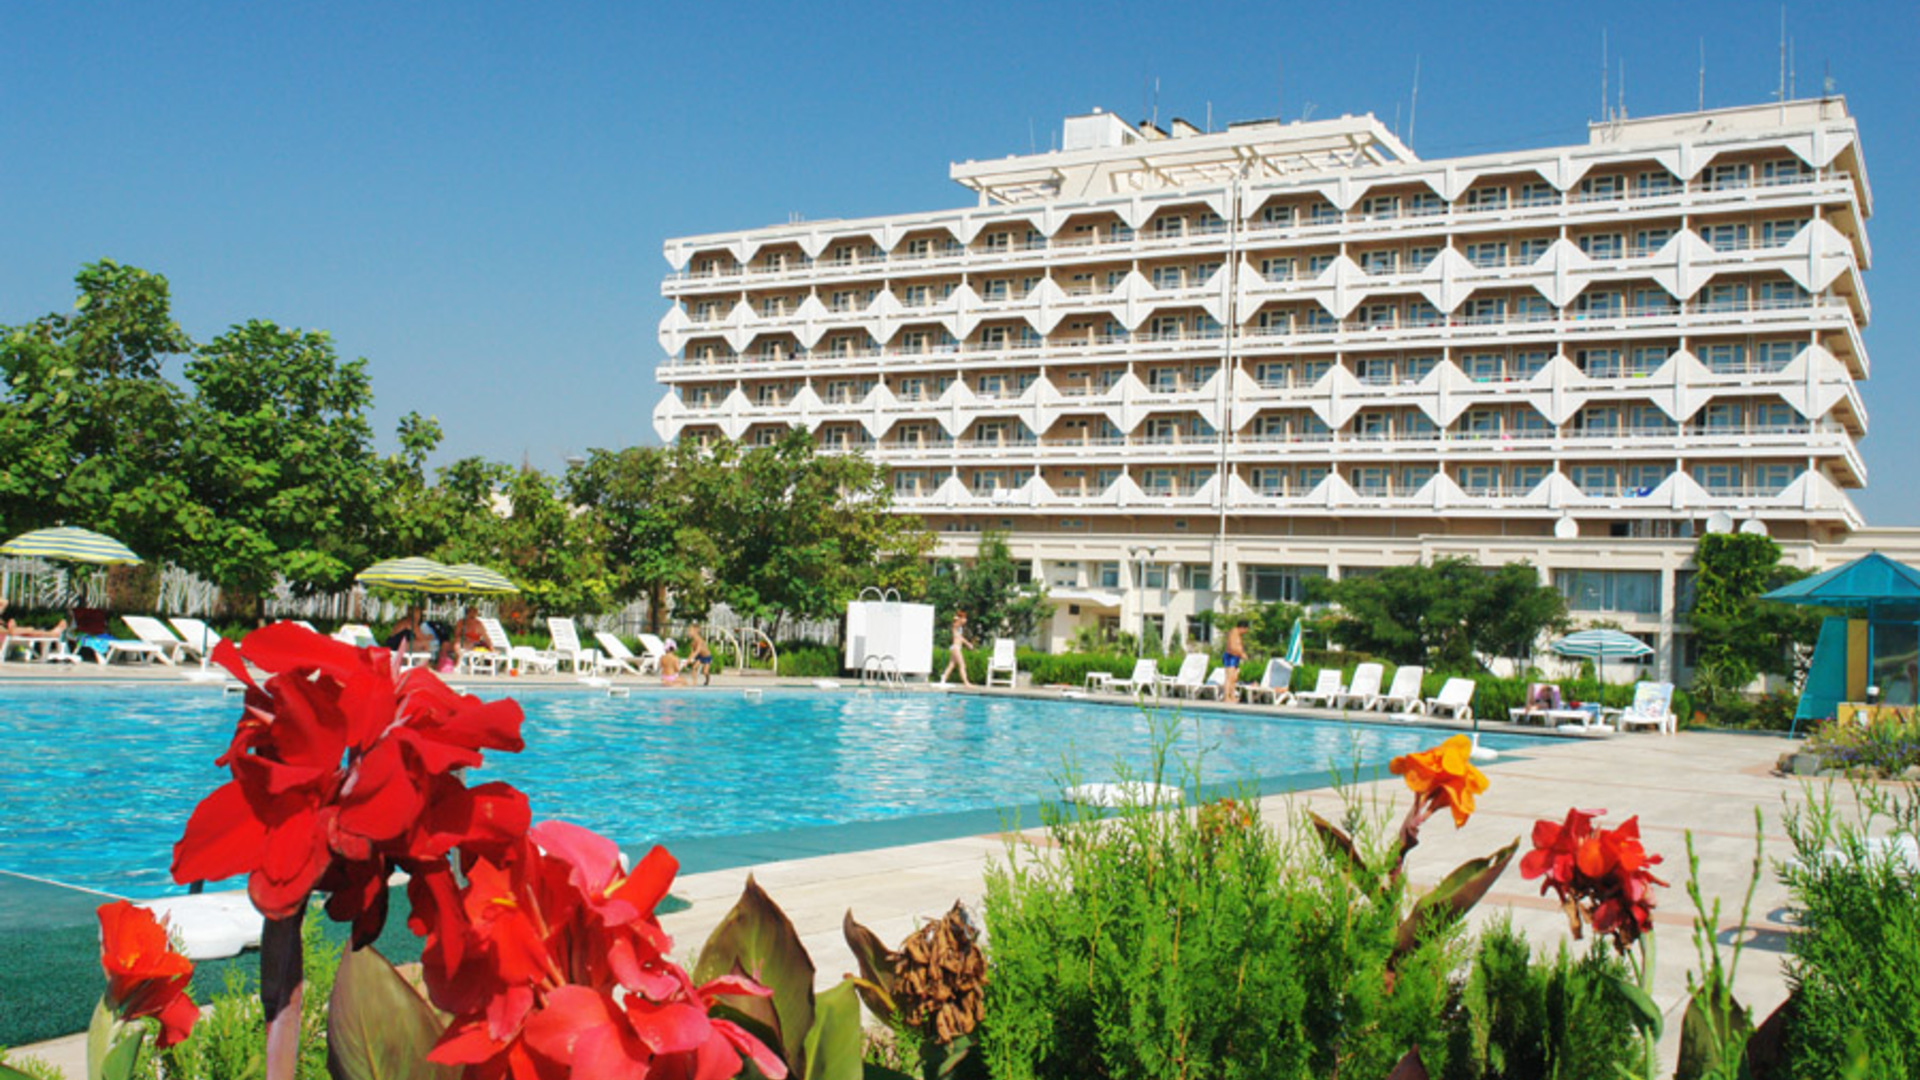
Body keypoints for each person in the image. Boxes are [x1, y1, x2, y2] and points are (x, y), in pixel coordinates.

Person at [940, 610, 974, 687]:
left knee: (951, 665)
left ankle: (943, 678)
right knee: (962, 664)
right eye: (964, 618)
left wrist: (968, 644)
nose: (966, 620)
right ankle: (966, 683)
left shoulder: (960, 628)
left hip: (957, 647)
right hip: (956, 648)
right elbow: (955, 623)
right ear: (961, 619)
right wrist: (958, 618)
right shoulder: (956, 626)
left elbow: (961, 638)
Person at [1222, 619, 1249, 704]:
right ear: (1242, 628)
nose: (1245, 632)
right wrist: (1241, 654)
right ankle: (1226, 697)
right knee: (1229, 678)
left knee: (1234, 678)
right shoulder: (1233, 633)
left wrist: (1241, 654)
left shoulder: (1237, 634)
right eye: (1246, 630)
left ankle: (1232, 696)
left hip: (1235, 657)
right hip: (1231, 656)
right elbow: (1231, 647)